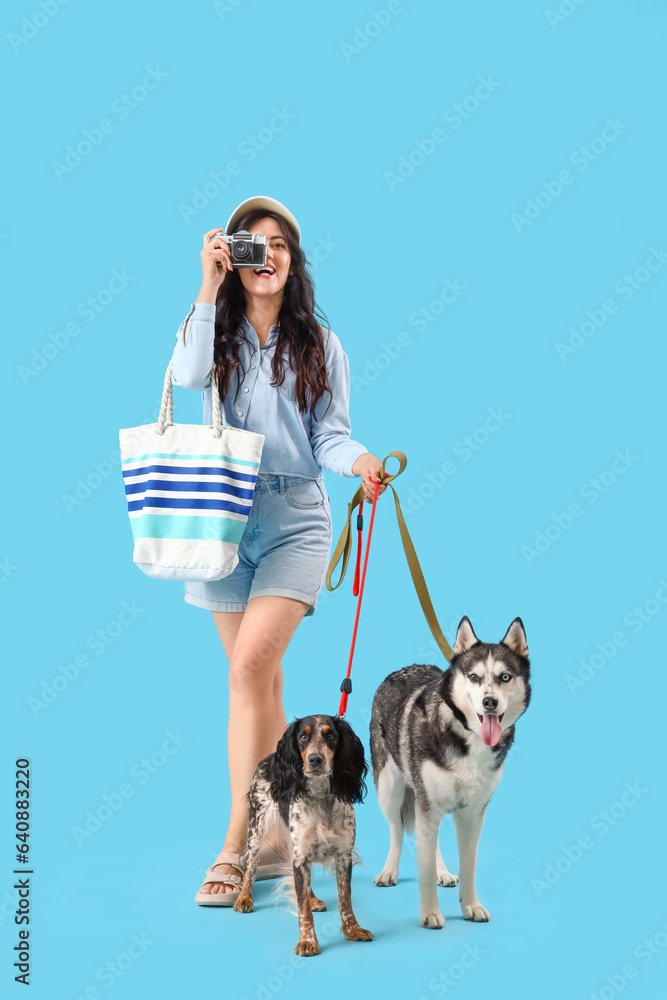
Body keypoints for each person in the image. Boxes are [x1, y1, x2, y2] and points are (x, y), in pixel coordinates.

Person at [169, 196, 386, 905]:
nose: (268, 256)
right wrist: (206, 287)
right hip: (220, 517)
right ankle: (272, 839)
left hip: (295, 515)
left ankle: (235, 840)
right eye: (251, 246)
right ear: (233, 257)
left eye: (280, 245)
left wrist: (358, 462)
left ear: (293, 261)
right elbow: (187, 381)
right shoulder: (211, 331)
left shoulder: (320, 343)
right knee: (256, 683)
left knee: (249, 668)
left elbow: (329, 434)